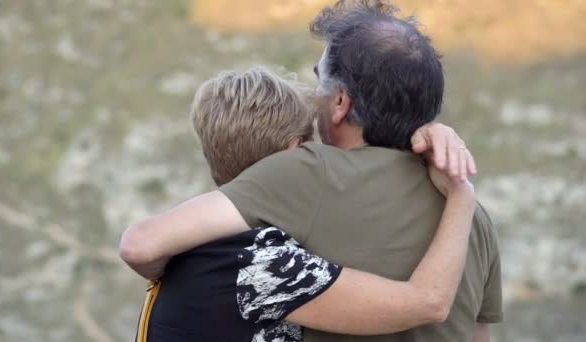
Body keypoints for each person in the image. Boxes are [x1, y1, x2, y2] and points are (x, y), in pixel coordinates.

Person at [123, 1, 503, 341]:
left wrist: (180, 273)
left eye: (319, 77)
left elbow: (142, 244)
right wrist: (460, 188)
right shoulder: (472, 219)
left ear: (340, 102)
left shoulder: (308, 174)